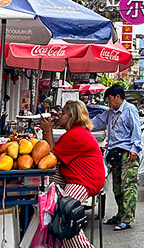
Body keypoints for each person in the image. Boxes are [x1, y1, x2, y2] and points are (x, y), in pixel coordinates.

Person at [40, 100, 104, 248]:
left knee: (66, 215)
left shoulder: (76, 134)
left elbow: (51, 155)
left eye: (63, 113)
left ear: (72, 116)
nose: (59, 115)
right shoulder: (73, 133)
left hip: (84, 180)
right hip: (77, 176)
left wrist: (48, 131)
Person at [91, 85, 141, 231]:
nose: (109, 102)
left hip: (128, 153)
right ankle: (120, 215)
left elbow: (136, 131)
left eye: (110, 99)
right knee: (117, 188)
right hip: (114, 154)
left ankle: (127, 218)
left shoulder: (130, 110)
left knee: (128, 187)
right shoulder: (110, 113)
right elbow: (97, 122)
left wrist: (135, 149)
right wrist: (81, 123)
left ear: (117, 97)